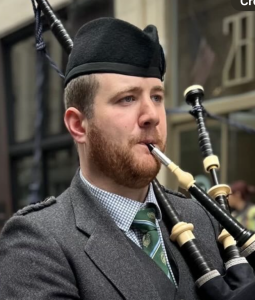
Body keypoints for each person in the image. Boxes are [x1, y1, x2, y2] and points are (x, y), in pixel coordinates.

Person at [0, 18, 225, 300]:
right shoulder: (37, 243)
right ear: (79, 125)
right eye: (127, 99)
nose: (152, 115)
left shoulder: (201, 218)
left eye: (157, 96)